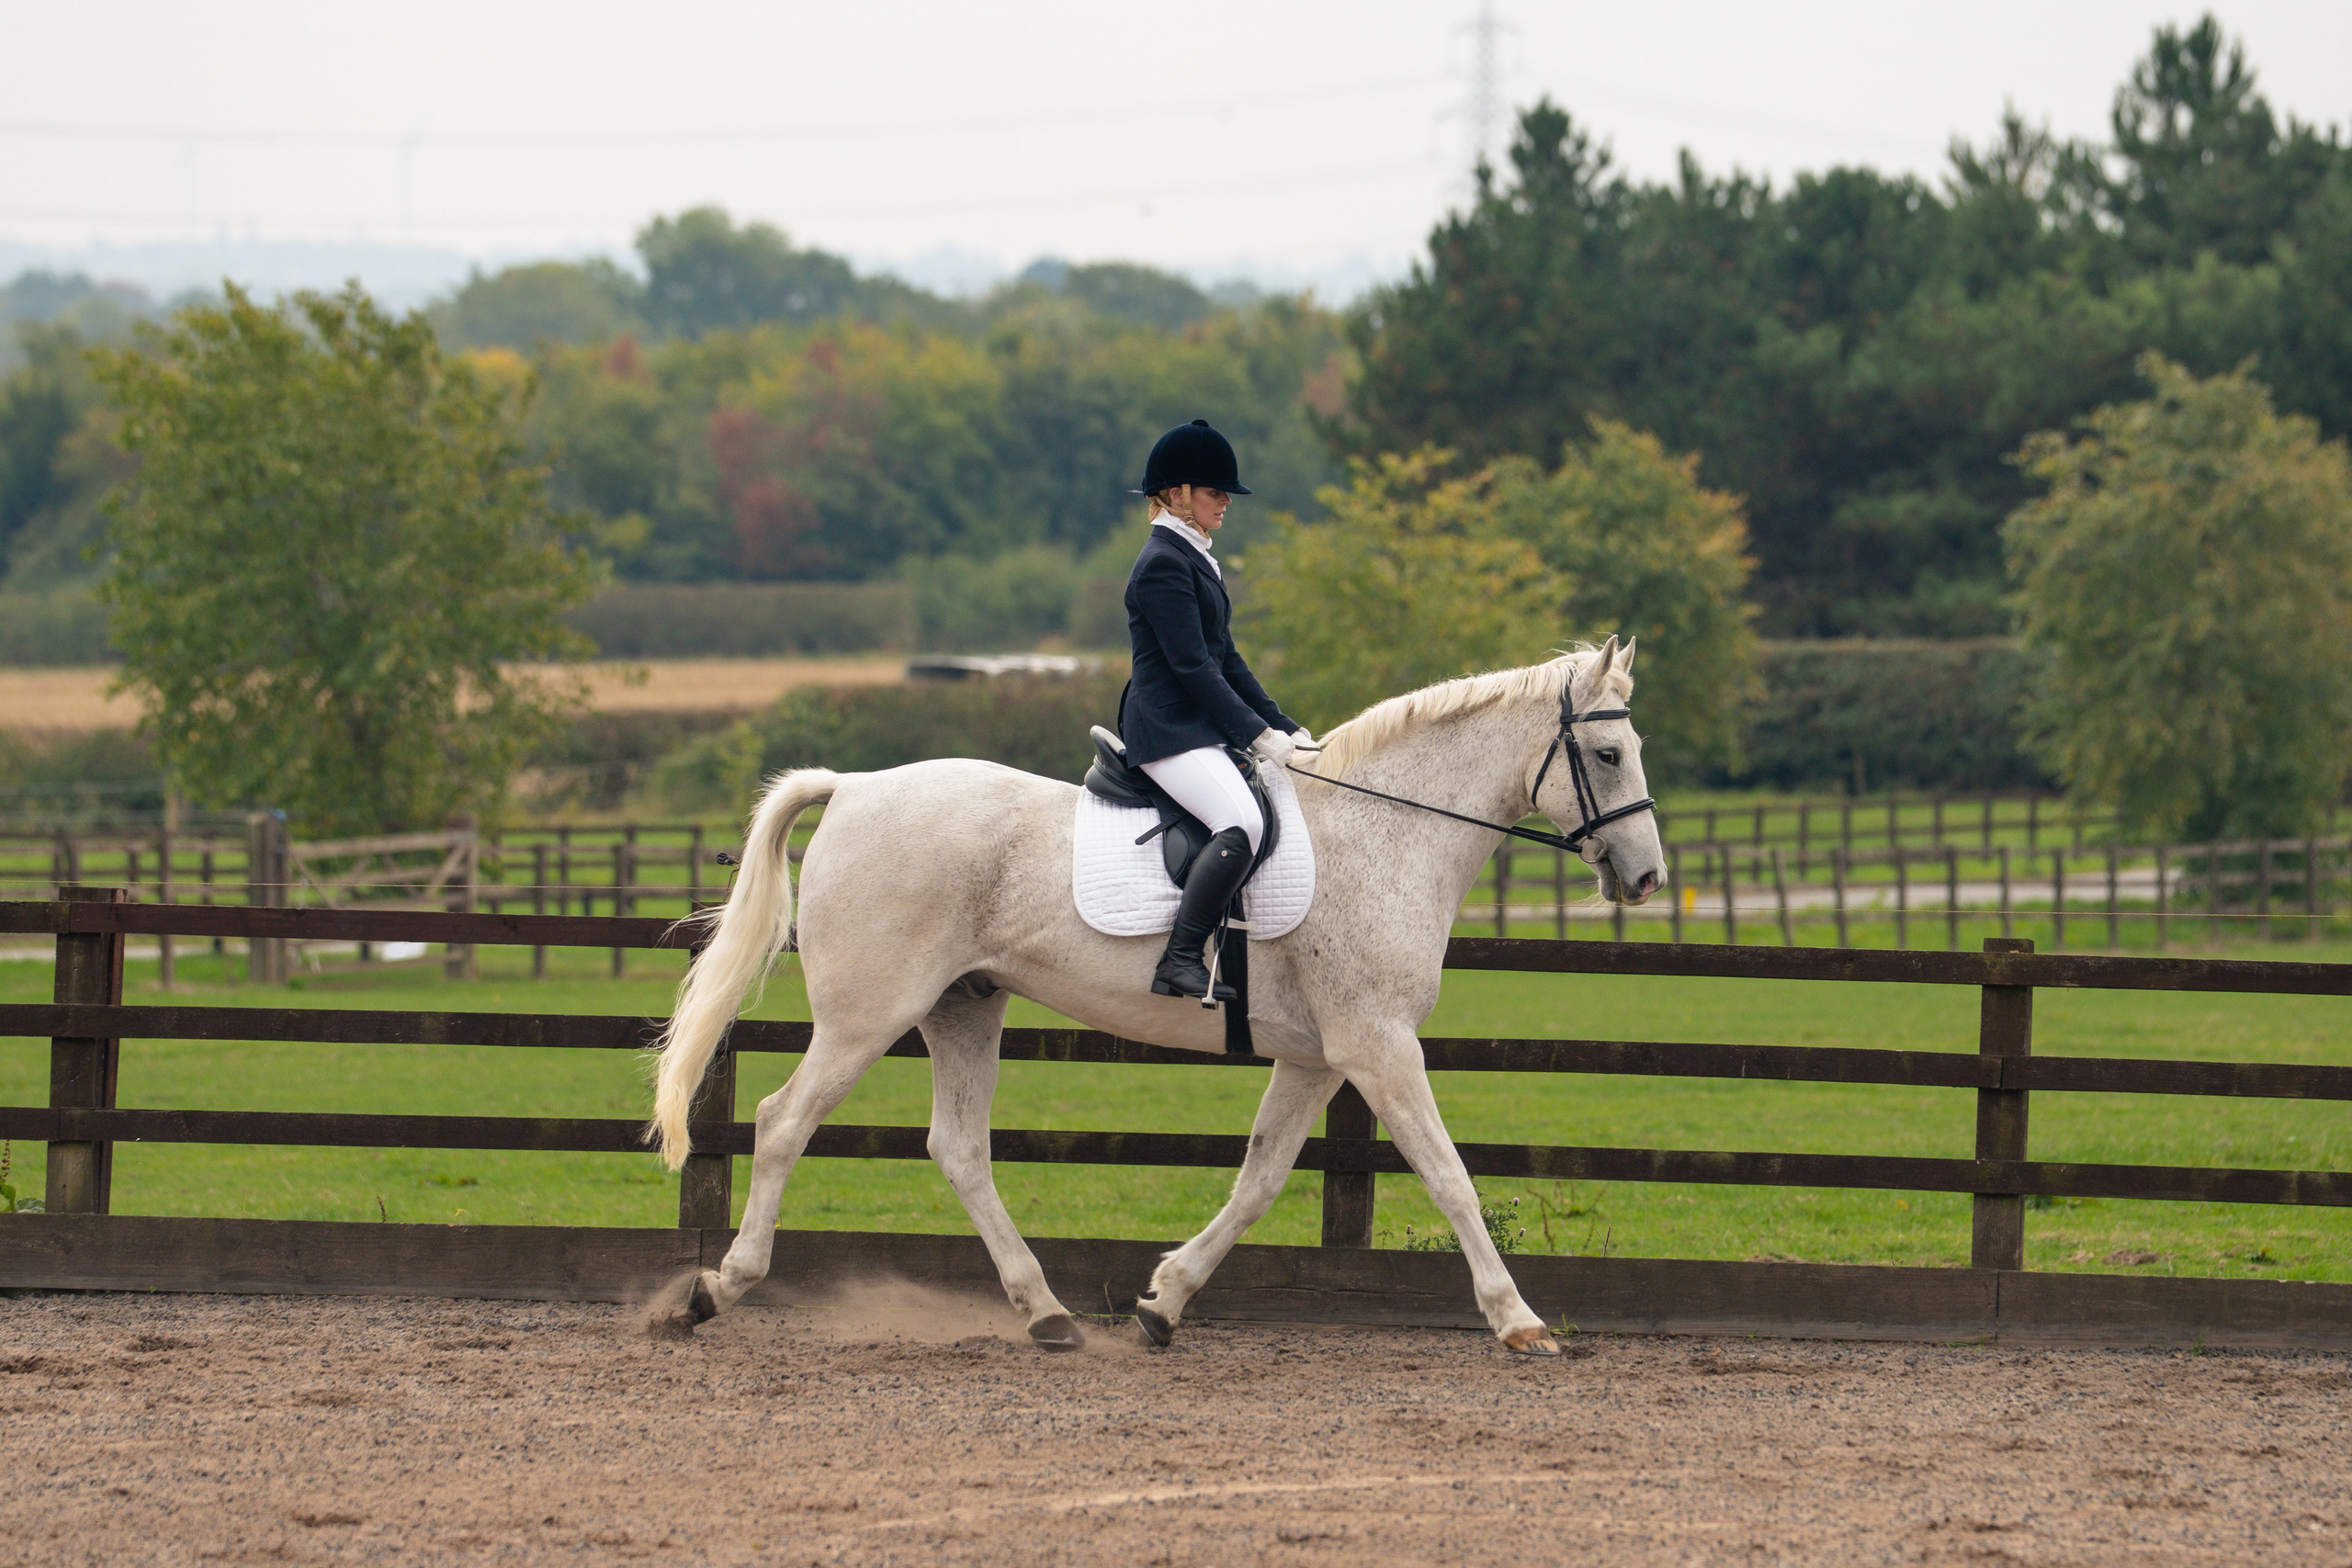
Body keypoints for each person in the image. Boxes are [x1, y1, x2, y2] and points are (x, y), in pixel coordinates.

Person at [1119, 418, 1316, 1002]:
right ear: (1176, 495)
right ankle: (1178, 959)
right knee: (1243, 823)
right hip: (1167, 730)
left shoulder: (1195, 557)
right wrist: (1257, 736)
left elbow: (1227, 660)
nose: (1226, 501)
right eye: (1214, 492)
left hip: (1195, 728)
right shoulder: (1162, 563)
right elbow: (1192, 669)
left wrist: (1284, 726)